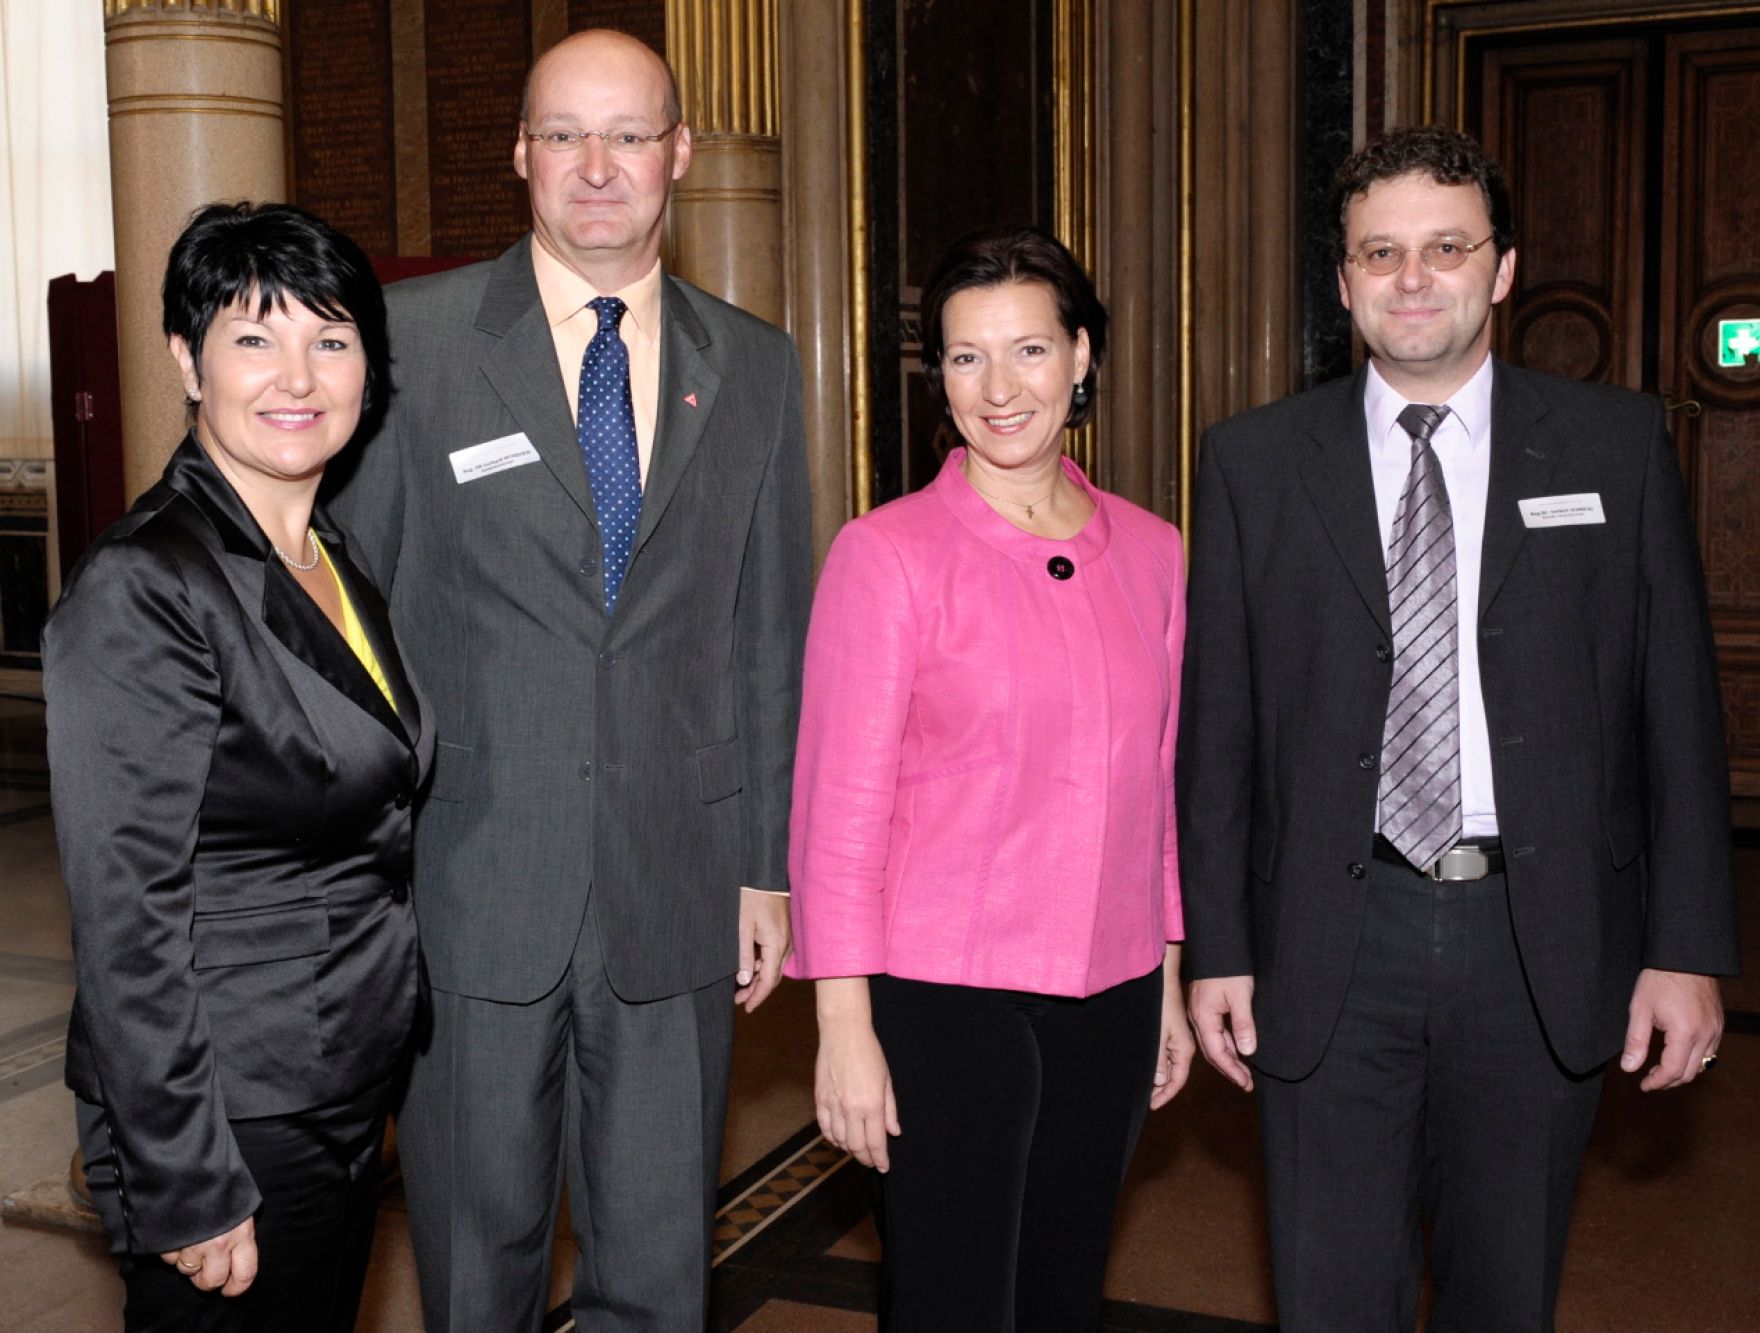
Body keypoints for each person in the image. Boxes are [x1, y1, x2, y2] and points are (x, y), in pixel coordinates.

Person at [1178, 124, 1740, 1331]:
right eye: (1378, 252)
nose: (1411, 277)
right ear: (1341, 282)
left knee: (1503, 1294)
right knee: (1329, 1297)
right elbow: (1217, 730)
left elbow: (1674, 715)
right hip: (1327, 940)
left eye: (1444, 247)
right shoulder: (1252, 463)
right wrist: (1216, 947)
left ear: (1500, 268)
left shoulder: (1614, 445)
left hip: (1537, 942)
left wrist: (1685, 946)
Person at [324, 27, 812, 1331]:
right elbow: (341, 623)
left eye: (630, 135)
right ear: (520, 153)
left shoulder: (757, 366)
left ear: (680, 156)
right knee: (474, 1270)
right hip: (468, 883)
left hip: (681, 882)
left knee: (658, 1273)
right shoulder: (410, 347)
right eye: (565, 135)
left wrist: (767, 863)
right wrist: (358, 869)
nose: (598, 166)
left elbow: (771, 632)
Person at [788, 224, 1194, 1331]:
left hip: (1108, 991)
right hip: (939, 997)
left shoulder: (1155, 553)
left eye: (1026, 350)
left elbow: (1155, 787)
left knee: (1062, 1293)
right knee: (952, 1301)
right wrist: (843, 1025)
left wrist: (1162, 974)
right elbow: (840, 810)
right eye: (965, 357)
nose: (997, 386)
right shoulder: (888, 554)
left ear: (1080, 358)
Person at [44, 201, 426, 1332]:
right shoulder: (147, 586)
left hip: (334, 1077)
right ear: (186, 360)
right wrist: (186, 1177)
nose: (296, 375)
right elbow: (127, 918)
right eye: (253, 338)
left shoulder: (326, 552)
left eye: (332, 337)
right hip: (226, 1109)